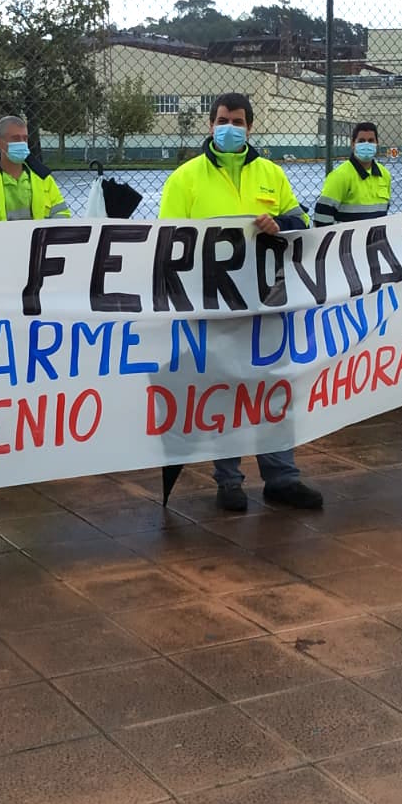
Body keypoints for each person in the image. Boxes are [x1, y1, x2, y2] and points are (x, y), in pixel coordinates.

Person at [158, 92, 323, 513]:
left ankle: (282, 478)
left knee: (273, 386)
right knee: (224, 390)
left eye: (236, 121)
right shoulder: (185, 179)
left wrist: (279, 222)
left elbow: (300, 221)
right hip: (213, 303)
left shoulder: (271, 174)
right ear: (210, 124)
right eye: (221, 120)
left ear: (250, 126)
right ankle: (229, 481)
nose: (228, 127)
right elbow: (167, 239)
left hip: (267, 300)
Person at [0, 115, 71, 222]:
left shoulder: (43, 177)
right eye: (15, 138)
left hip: (36, 237)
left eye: (25, 138)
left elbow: (62, 215)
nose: (22, 143)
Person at [312, 121, 392, 226]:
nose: (366, 144)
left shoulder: (385, 175)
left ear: (377, 144)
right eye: (361, 141)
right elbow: (322, 217)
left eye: (371, 140)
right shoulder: (339, 176)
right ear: (353, 144)